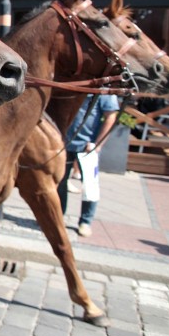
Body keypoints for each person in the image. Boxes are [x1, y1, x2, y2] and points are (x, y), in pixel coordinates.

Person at [57, 94, 120, 237]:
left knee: (90, 186)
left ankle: (85, 221)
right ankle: (58, 216)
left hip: (87, 146)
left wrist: (98, 143)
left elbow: (111, 116)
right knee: (60, 182)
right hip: (65, 143)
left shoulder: (104, 92)